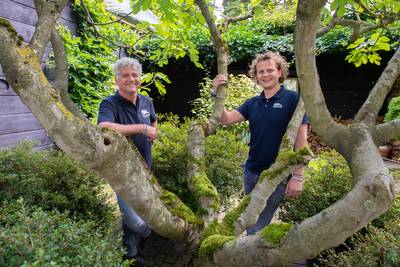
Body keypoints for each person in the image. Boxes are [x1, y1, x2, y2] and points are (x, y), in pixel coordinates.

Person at [212, 51, 308, 235]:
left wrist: (298, 176)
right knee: (250, 221)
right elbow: (226, 119)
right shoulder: (253, 103)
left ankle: (248, 254)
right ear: (255, 76)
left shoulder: (293, 100)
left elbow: (301, 142)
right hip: (251, 172)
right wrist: (215, 93)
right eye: (260, 71)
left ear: (280, 72)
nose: (265, 75)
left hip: (276, 176)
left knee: (256, 226)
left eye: (270, 70)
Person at [98, 57, 157, 266]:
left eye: (134, 75)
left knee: (139, 209)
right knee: (134, 220)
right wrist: (141, 129)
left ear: (140, 78)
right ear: (116, 80)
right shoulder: (110, 103)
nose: (131, 79)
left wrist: (152, 132)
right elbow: (104, 126)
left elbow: (153, 121)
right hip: (121, 173)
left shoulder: (147, 101)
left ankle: (130, 255)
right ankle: (151, 233)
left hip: (145, 169)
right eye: (125, 75)